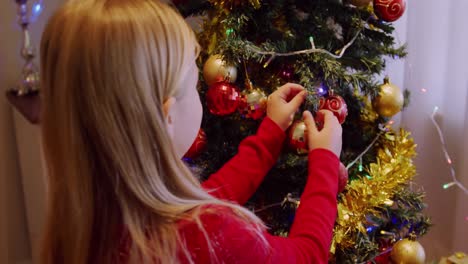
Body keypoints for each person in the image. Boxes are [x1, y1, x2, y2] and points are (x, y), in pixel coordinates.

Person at [39, 0, 343, 263]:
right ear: (167, 117)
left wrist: (270, 133)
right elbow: (306, 257)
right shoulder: (207, 237)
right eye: (193, 86)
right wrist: (326, 160)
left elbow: (206, 199)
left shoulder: (88, 223)